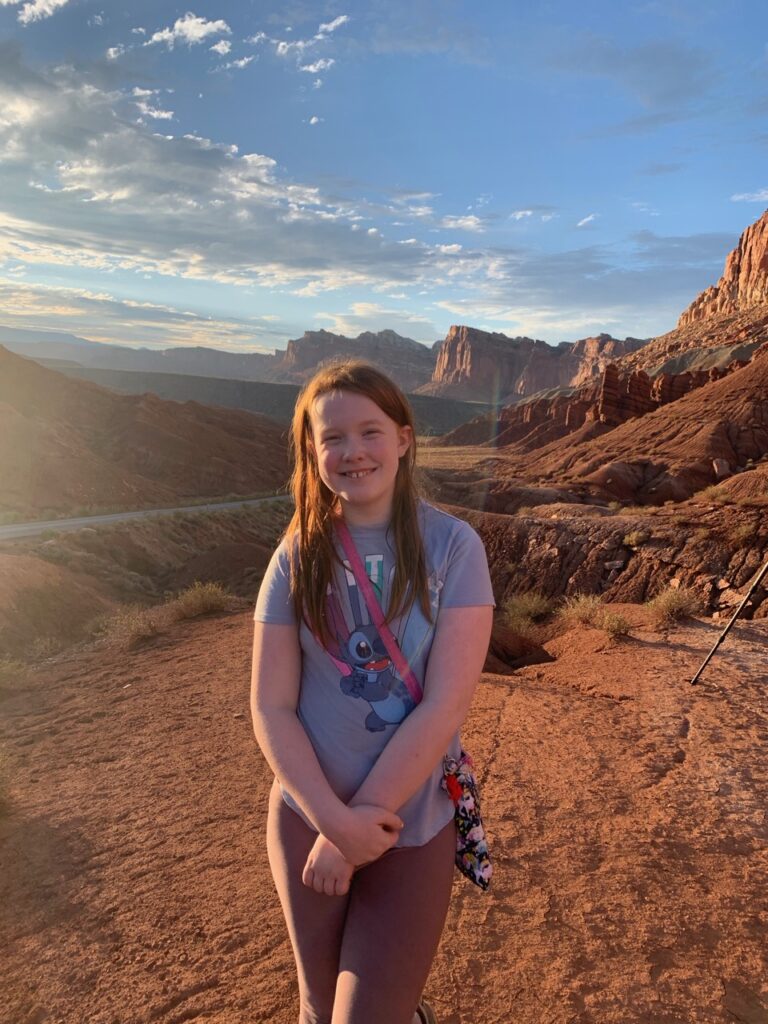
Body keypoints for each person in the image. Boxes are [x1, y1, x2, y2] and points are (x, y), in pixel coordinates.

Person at [250, 360, 494, 1024]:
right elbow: (270, 707)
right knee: (317, 1005)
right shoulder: (296, 555)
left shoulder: (453, 549)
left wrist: (355, 832)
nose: (353, 451)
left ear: (405, 439)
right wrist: (331, 822)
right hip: (306, 817)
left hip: (409, 827)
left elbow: (445, 705)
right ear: (311, 450)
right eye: (332, 438)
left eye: (370, 431)